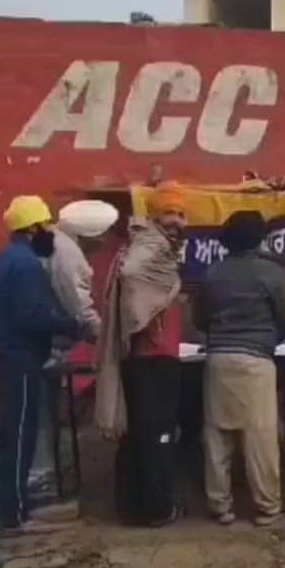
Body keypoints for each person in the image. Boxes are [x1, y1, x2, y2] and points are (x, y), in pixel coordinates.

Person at [0, 195, 83, 536]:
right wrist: (72, 325)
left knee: (10, 434)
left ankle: (10, 505)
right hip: (21, 359)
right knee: (20, 434)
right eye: (47, 226)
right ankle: (14, 513)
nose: (50, 233)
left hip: (3, 354)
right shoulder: (26, 265)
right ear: (35, 228)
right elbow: (32, 315)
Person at [193, 211, 285, 527]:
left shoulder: (213, 273)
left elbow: (200, 319)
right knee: (261, 437)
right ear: (260, 238)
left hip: (217, 360)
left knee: (218, 434)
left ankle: (220, 506)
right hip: (256, 361)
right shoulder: (271, 273)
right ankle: (267, 507)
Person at [94, 182, 188, 527]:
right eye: (169, 212)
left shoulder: (155, 245)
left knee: (140, 434)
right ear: (154, 214)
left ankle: (133, 506)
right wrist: (146, 314)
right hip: (153, 356)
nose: (176, 220)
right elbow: (133, 276)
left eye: (180, 213)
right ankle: (155, 508)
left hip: (152, 355)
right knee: (155, 434)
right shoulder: (150, 246)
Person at [27, 199, 118, 504]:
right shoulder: (67, 255)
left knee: (43, 416)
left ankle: (41, 477)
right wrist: (108, 341)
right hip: (43, 347)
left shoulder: (59, 244)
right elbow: (80, 308)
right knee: (41, 418)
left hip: (41, 344)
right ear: (89, 234)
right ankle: (40, 483)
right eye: (103, 235)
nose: (105, 241)